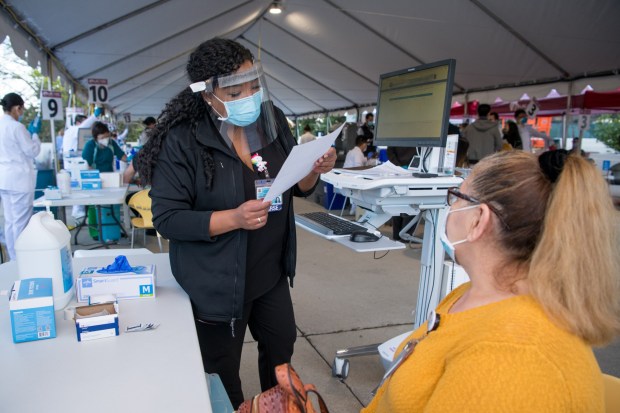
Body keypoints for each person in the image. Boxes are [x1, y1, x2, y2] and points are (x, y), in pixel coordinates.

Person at [135, 38, 336, 408]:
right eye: (235, 89)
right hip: (217, 280)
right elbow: (168, 219)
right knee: (221, 367)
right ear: (206, 93)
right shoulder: (183, 140)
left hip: (269, 270)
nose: (250, 96)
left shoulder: (271, 119)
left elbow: (299, 186)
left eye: (254, 85)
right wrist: (234, 218)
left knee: (280, 348)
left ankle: (276, 404)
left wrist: (314, 169)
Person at [363, 150, 620, 412]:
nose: (450, 208)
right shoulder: (477, 293)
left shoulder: (513, 359)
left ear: (479, 219)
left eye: (458, 197)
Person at [0, 93, 41, 260]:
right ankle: (22, 259)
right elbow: (32, 151)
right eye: (21, 109)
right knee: (21, 223)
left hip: (4, 179)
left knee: (10, 222)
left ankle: (13, 258)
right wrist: (35, 135)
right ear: (17, 108)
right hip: (19, 181)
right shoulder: (17, 127)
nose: (22, 113)